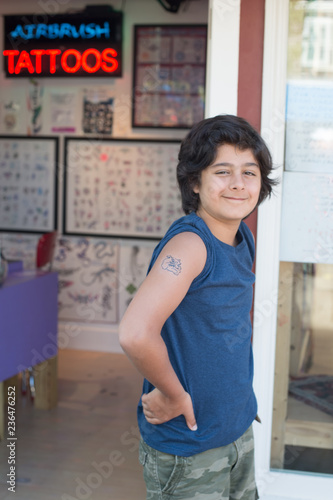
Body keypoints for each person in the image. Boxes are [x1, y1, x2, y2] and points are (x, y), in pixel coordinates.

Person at [119, 114, 277, 500]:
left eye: (249, 171)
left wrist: (238, 401)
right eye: (222, 171)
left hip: (235, 431)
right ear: (195, 181)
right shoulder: (191, 246)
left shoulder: (242, 235)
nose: (238, 183)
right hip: (190, 448)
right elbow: (135, 333)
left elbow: (222, 332)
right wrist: (172, 393)